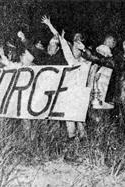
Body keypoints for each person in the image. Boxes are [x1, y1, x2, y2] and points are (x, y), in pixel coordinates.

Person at [41, 15, 87, 143]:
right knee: (69, 111)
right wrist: (49, 25)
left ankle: (83, 137)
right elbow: (60, 39)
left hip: (81, 89)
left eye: (79, 39)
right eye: (75, 39)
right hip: (70, 89)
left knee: (79, 112)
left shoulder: (87, 59)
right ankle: (72, 136)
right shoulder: (70, 58)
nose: (77, 41)